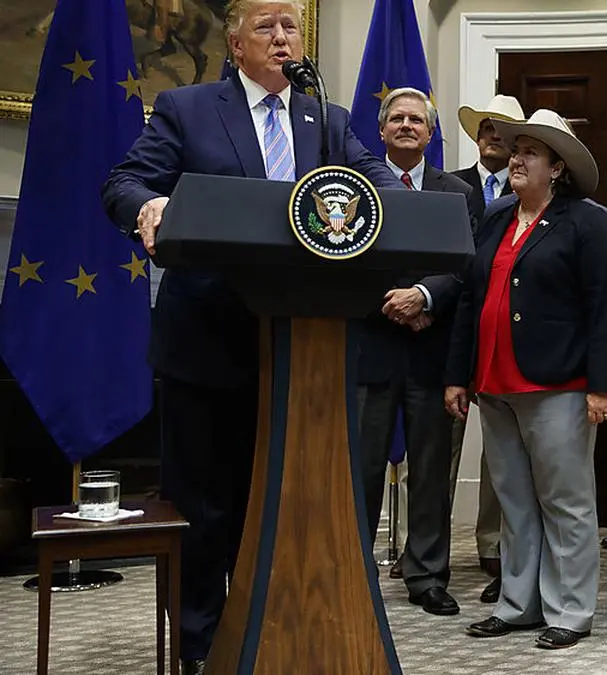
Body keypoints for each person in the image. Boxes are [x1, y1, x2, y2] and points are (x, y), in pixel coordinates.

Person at [101, 2, 399, 672]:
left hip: (301, 353)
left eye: (291, 26)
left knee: (285, 504)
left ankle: (280, 634)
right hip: (206, 345)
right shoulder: (188, 107)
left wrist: (400, 208)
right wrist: (149, 203)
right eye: (266, 27)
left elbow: (375, 190)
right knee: (206, 515)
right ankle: (203, 649)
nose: (283, 37)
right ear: (235, 45)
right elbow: (122, 182)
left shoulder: (326, 119)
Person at [445, 109, 607, 650]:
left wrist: (602, 385)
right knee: (514, 500)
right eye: (515, 148)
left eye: (529, 152)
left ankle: (571, 610)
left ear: (558, 168)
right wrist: (457, 375)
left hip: (558, 384)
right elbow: (471, 296)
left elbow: (605, 305)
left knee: (565, 501)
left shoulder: (587, 221)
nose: (515, 158)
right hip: (493, 381)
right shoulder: (497, 216)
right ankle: (518, 604)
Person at [356, 87, 476, 616]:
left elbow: (467, 261)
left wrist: (425, 296)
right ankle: (352, 570)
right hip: (372, 346)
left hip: (433, 349)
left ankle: (426, 574)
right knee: (360, 469)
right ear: (381, 131)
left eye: (417, 120)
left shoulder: (457, 191)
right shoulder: (352, 185)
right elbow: (342, 252)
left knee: (430, 469)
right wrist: (396, 302)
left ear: (431, 134)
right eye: (397, 119)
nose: (406, 126)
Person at [449, 93, 526, 603]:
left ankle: (495, 547)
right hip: (455, 329)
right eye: (485, 128)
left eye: (502, 129)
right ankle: (426, 551)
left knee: (506, 455)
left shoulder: (529, 197)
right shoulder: (449, 186)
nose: (492, 136)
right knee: (443, 452)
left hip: (511, 342)